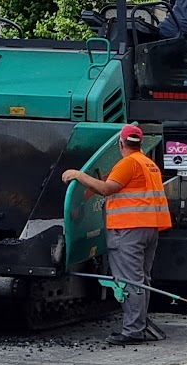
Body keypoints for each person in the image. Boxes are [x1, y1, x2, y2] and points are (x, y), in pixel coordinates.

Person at [60, 124, 172, 344]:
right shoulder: (149, 164)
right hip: (149, 229)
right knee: (141, 280)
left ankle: (133, 331)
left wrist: (78, 175)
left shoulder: (128, 163)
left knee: (129, 281)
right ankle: (139, 324)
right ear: (139, 143)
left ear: (121, 144)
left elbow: (106, 189)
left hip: (128, 230)